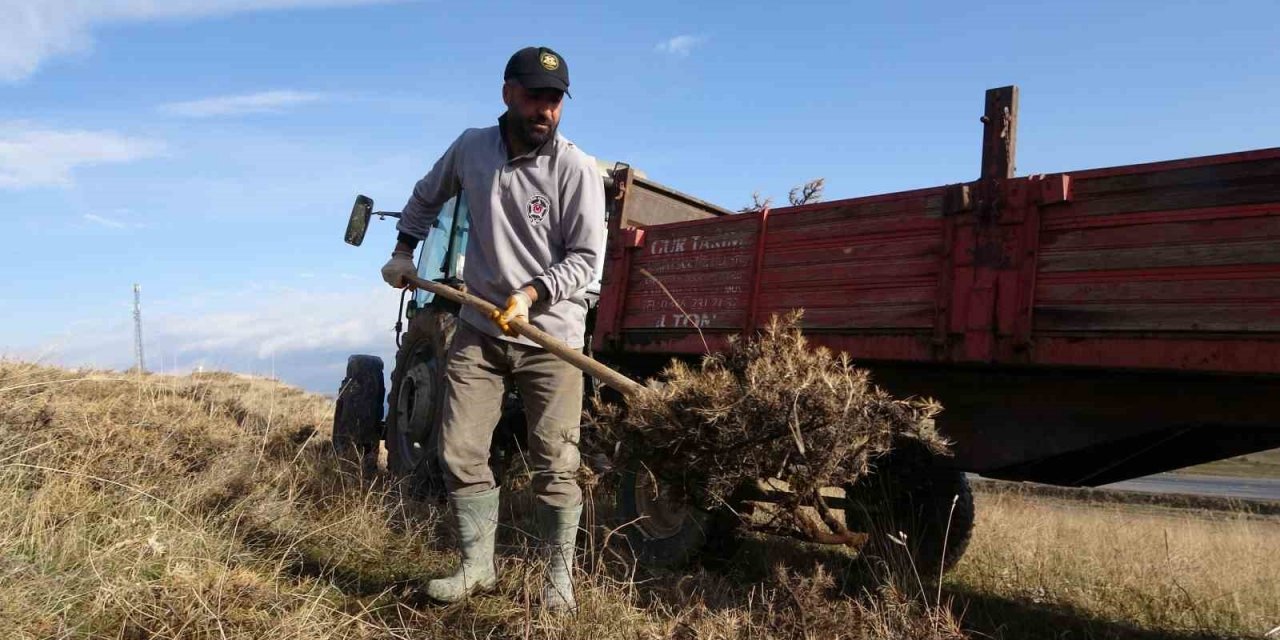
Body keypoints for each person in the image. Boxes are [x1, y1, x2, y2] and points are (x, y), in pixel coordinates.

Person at [380, 46, 604, 612]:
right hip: (479, 326)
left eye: (554, 100)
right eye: (535, 96)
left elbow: (586, 260)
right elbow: (425, 197)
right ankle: (477, 568)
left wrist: (531, 295)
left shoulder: (576, 168)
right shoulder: (471, 147)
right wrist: (405, 250)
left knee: (557, 460)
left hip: (551, 337)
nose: (545, 110)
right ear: (508, 93)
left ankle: (558, 581)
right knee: (459, 448)